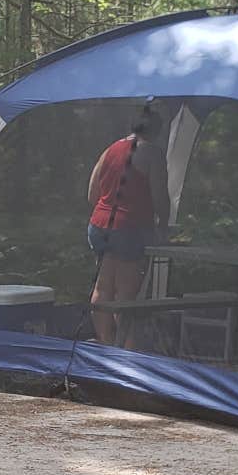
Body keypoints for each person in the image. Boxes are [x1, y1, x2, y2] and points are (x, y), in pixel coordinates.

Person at [87, 107, 167, 346]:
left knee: (104, 286)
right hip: (129, 228)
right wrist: (163, 225)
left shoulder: (110, 149)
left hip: (99, 226)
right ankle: (128, 351)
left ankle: (106, 343)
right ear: (156, 130)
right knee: (126, 293)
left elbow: (92, 193)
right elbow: (160, 196)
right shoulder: (152, 153)